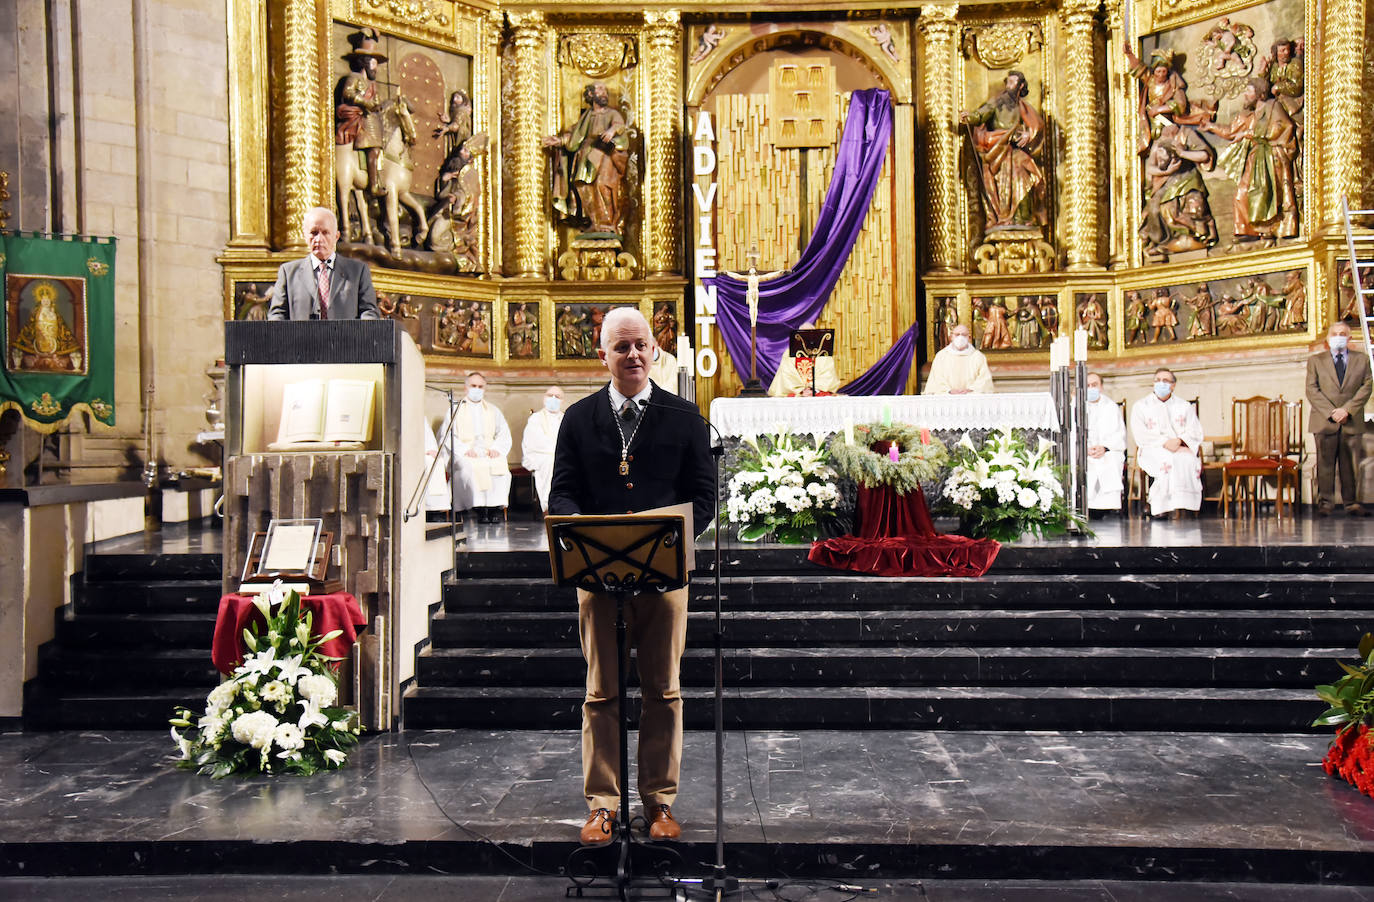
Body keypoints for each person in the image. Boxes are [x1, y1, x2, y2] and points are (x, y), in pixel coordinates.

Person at [547, 308, 714, 846]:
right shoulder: (578, 419)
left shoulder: (686, 417)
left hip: (664, 578)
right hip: (598, 578)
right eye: (621, 347)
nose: (633, 355)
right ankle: (604, 805)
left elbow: (705, 496)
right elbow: (563, 492)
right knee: (602, 693)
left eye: (641, 345)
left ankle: (659, 803)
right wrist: (582, 528)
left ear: (656, 350)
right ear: (603, 355)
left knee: (663, 691)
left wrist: (668, 536)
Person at [1202, 77, 1299, 241]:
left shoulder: (1272, 106)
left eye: (1249, 91)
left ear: (1260, 94)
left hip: (1271, 156)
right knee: (1242, 193)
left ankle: (1270, 228)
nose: (1245, 95)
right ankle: (1247, 230)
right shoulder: (1251, 115)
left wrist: (1250, 134)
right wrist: (1211, 126)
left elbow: (1283, 126)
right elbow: (1232, 131)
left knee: (1269, 193)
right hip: (1256, 157)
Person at [960, 70, 1047, 230]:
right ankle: (1005, 217)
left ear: (1021, 86)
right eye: (1008, 82)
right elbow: (980, 115)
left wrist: (1029, 134)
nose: (1009, 86)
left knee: (1031, 175)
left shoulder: (1024, 108)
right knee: (1006, 177)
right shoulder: (997, 103)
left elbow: (1037, 126)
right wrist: (969, 117)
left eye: (1013, 83)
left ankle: (1024, 217)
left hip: (1016, 150)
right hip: (999, 149)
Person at [543, 83, 629, 237]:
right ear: (591, 95)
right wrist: (559, 141)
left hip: (604, 154)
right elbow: (576, 136)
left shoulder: (611, 113)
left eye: (605, 90)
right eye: (600, 90)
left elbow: (619, 125)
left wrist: (612, 130)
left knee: (603, 185)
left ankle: (607, 223)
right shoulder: (587, 116)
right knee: (583, 186)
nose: (604, 93)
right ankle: (595, 222)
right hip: (586, 156)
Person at [267, 208, 379, 321]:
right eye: (314, 233)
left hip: (345, 338)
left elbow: (369, 312)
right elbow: (277, 315)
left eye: (325, 233)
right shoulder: (288, 272)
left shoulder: (358, 271)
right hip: (300, 338)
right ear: (305, 236)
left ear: (336, 236)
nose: (319, 239)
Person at [1306, 322, 1371, 516]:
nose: (1339, 336)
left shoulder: (1362, 360)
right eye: (1335, 334)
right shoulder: (1316, 361)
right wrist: (1332, 412)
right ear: (1328, 339)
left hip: (1350, 420)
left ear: (1349, 338)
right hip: (1324, 420)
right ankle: (1325, 504)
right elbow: (1311, 389)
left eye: (1343, 333)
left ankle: (1351, 503)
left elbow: (1367, 386)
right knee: (1324, 464)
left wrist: (1347, 410)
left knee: (1350, 465)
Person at [1129, 368, 1203, 517]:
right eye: (1157, 380)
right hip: (1152, 448)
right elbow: (1140, 433)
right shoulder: (1141, 406)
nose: (1161, 384)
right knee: (1167, 461)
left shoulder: (1184, 406)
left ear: (1173, 385)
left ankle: (1183, 504)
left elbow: (1195, 431)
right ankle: (1160, 506)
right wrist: (1164, 442)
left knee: (1186, 459)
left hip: (1179, 447)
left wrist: (1180, 441)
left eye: (1165, 381)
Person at [439, 371, 512, 523]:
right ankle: (478, 509)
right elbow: (449, 435)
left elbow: (503, 433)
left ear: (485, 389)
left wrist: (496, 449)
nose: (477, 389)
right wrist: (465, 450)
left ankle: (493, 509)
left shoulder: (493, 410)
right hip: (465, 453)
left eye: (480, 386)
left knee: (500, 465)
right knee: (469, 467)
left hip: (487, 452)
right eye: (473, 386)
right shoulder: (456, 409)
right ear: (466, 388)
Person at [334, 29, 387, 197]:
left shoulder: (372, 83)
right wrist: (366, 102)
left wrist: (377, 105)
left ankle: (376, 179)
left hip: (372, 118)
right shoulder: (354, 77)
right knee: (373, 150)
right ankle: (372, 186)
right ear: (365, 62)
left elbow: (376, 100)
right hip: (360, 119)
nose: (375, 67)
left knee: (379, 149)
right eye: (373, 62)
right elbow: (348, 93)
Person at [1083, 373, 1127, 512]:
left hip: (1106, 451)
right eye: (1087, 385)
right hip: (1084, 451)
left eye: (1094, 385)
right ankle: (1085, 505)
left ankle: (1106, 507)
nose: (1091, 388)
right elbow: (1072, 434)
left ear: (1101, 387)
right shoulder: (1075, 407)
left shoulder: (1111, 407)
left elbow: (1119, 434)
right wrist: (1085, 449)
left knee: (1111, 459)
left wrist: (1105, 447)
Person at [520, 386, 565, 512]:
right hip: (539, 455)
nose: (553, 399)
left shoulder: (566, 418)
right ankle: (548, 507)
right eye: (550, 395)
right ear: (544, 398)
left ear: (563, 401)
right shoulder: (535, 419)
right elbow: (535, 441)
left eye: (557, 397)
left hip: (560, 455)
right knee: (550, 461)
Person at [924, 324, 994, 395]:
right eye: (957, 335)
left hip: (971, 399)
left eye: (964, 335)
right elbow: (936, 379)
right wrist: (948, 391)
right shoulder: (941, 356)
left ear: (969, 337)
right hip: (947, 399)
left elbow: (984, 380)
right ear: (951, 337)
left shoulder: (978, 356)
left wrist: (971, 390)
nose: (960, 337)